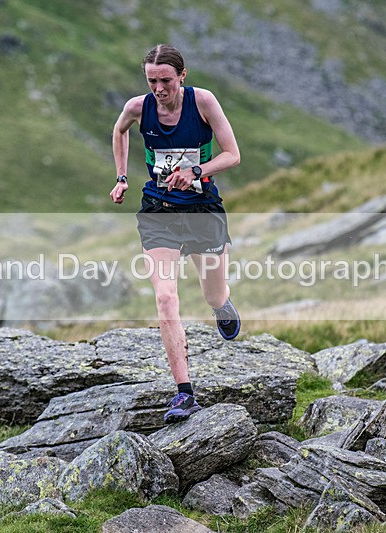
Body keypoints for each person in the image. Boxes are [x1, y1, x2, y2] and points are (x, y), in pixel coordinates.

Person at [110, 44, 241, 424]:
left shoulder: (204, 102)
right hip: (158, 211)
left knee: (212, 294)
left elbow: (232, 154)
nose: (159, 89)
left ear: (182, 76)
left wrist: (198, 172)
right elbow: (119, 132)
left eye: (165, 80)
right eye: (152, 81)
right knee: (166, 298)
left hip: (202, 209)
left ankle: (222, 305)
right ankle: (184, 394)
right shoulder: (139, 107)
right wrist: (121, 177)